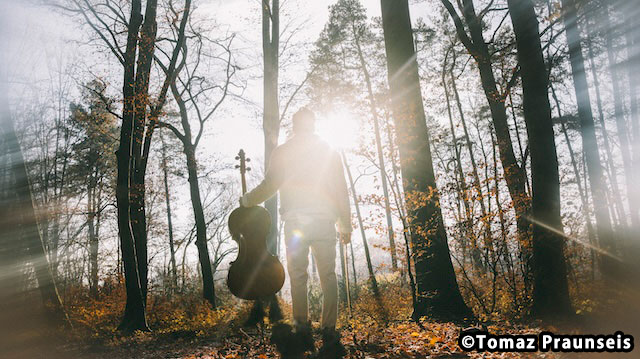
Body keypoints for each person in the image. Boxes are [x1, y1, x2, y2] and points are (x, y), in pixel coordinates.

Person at [240, 107, 352, 357]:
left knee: (298, 276)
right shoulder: (328, 150)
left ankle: (302, 328)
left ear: (293, 125)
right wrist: (346, 223)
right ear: (312, 124)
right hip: (324, 220)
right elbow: (341, 189)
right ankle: (329, 331)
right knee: (328, 275)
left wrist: (247, 200)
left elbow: (270, 185)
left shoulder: (283, 151)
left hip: (296, 222)